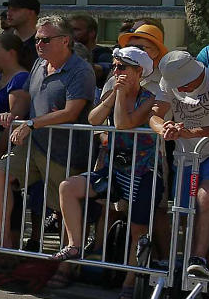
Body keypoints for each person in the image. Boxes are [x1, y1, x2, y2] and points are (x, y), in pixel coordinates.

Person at [0, 15, 94, 251]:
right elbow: (27, 96)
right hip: (35, 143)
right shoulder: (39, 64)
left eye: (45, 40)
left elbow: (71, 112)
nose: (39, 44)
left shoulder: (81, 71)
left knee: (64, 206)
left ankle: (70, 260)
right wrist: (14, 115)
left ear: (65, 41)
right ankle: (3, 236)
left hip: (64, 150)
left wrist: (30, 124)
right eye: (38, 39)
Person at [53, 47, 159, 284]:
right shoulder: (113, 90)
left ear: (138, 71)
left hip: (141, 171)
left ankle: (130, 281)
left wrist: (120, 95)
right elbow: (93, 119)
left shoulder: (149, 98)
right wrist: (113, 95)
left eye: (122, 67)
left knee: (137, 229)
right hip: (112, 168)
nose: (115, 71)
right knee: (67, 187)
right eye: (114, 66)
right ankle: (74, 245)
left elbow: (123, 123)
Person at [150, 50, 209, 270]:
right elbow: (155, 115)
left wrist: (194, 132)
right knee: (183, 208)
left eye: (185, 85)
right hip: (185, 154)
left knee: (206, 199)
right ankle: (186, 259)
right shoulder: (168, 83)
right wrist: (164, 128)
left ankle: (199, 258)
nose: (182, 90)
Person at [69, 14, 112, 84]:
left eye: (76, 30)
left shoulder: (103, 54)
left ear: (92, 33)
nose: (71, 34)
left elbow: (104, 71)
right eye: (69, 30)